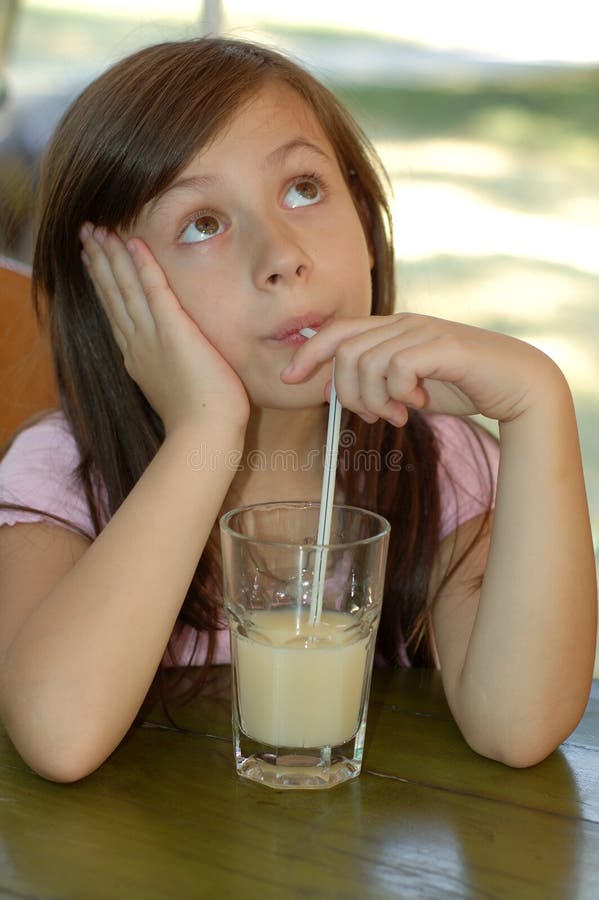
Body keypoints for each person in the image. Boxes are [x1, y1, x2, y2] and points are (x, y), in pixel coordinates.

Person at [0, 38, 595, 783]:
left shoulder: (439, 467)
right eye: (202, 223)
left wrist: (537, 404)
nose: (280, 254)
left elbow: (518, 726)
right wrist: (206, 431)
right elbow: (59, 736)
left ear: (367, 229)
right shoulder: (63, 474)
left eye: (303, 189)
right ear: (117, 302)